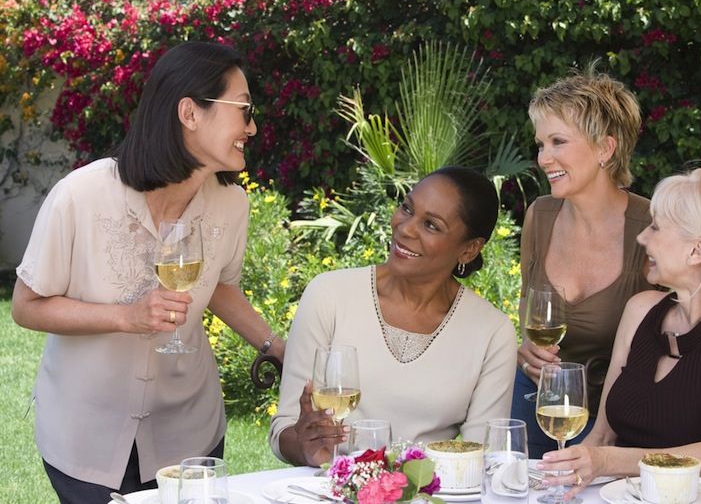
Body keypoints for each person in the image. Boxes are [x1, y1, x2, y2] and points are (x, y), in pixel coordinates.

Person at [11, 41, 285, 504]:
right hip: (86, 438)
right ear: (190, 113)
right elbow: (26, 306)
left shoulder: (232, 204)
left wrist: (280, 348)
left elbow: (218, 284)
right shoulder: (80, 196)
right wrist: (126, 317)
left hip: (189, 435)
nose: (252, 127)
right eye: (243, 110)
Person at [537, 169, 701, 495]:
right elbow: (601, 436)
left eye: (656, 227)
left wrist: (607, 462)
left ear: (697, 250)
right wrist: (568, 478)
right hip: (623, 497)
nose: (642, 237)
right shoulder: (641, 309)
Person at [268, 166, 518, 466]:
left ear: (469, 249)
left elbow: (481, 455)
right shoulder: (329, 295)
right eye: (407, 208)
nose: (405, 228)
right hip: (328, 490)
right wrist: (306, 445)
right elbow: (285, 429)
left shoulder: (492, 332)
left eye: (431, 225)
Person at [512, 67, 653, 458]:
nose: (543, 158)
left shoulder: (652, 227)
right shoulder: (539, 216)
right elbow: (530, 307)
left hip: (616, 421)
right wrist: (527, 348)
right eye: (540, 144)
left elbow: (695, 323)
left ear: (605, 149)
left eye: (558, 141)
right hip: (537, 401)